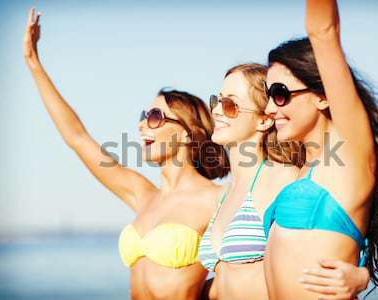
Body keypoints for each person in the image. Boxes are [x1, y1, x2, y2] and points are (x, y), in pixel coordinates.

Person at [23, 7, 229, 300]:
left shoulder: (218, 199)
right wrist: (33, 63)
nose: (142, 124)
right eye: (144, 116)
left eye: (156, 116)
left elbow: (248, 268)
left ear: (186, 133)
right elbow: (77, 138)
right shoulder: (142, 194)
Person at [263, 1, 378, 299]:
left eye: (280, 95)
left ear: (322, 96)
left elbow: (323, 30)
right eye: (269, 95)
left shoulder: (350, 153)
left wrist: (361, 276)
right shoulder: (304, 167)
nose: (269, 108)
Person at [199, 63, 370, 300]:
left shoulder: (282, 179)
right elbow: (227, 279)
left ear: (263, 120)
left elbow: (335, 231)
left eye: (229, 105)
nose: (216, 111)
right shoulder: (225, 193)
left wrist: (361, 275)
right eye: (215, 101)